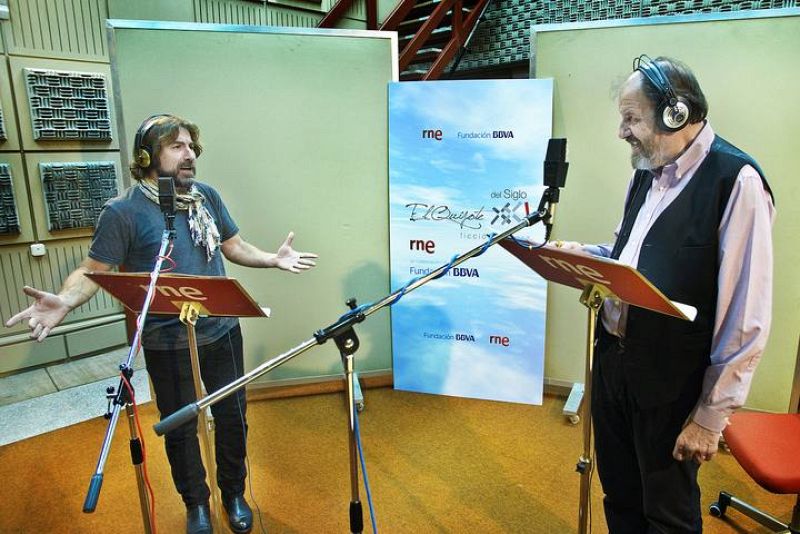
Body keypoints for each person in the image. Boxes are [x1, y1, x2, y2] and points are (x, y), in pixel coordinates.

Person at [5, 114, 318, 534]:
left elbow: (234, 246)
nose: (189, 154)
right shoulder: (123, 211)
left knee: (232, 416)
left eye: (191, 146)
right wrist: (64, 299)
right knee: (180, 426)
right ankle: (197, 505)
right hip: (164, 339)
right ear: (147, 156)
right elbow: (92, 269)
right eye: (176, 146)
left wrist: (272, 259)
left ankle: (234, 493)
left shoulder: (206, 196)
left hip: (221, 331)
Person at [556, 56, 774, 532]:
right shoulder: (647, 171)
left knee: (668, 515)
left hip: (673, 383)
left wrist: (710, 418)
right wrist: (581, 256)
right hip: (614, 363)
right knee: (622, 495)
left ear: (675, 114)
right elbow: (627, 258)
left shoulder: (737, 182)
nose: (621, 132)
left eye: (631, 118)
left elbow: (745, 315)